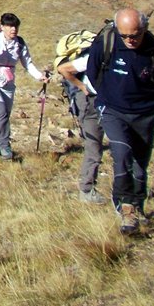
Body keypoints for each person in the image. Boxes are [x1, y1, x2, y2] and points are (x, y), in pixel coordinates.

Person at [69, 8, 154, 234]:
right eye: (124, 35)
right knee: (122, 154)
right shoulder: (105, 44)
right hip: (113, 110)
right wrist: (105, 97)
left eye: (135, 35)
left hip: (144, 113)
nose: (130, 40)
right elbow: (94, 72)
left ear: (144, 29)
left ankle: (138, 204)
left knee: (140, 164)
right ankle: (125, 207)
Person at [0, 12, 49, 159]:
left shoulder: (20, 43)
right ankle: (4, 146)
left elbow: (28, 63)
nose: (13, 29)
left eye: (15, 26)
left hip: (8, 83)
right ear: (2, 27)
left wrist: (40, 76)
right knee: (2, 112)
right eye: (10, 26)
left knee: (4, 115)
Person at [55, 31, 109, 204]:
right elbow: (63, 69)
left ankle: (130, 192)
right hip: (91, 101)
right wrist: (81, 86)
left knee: (116, 146)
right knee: (94, 145)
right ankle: (87, 189)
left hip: (108, 102)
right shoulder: (98, 55)